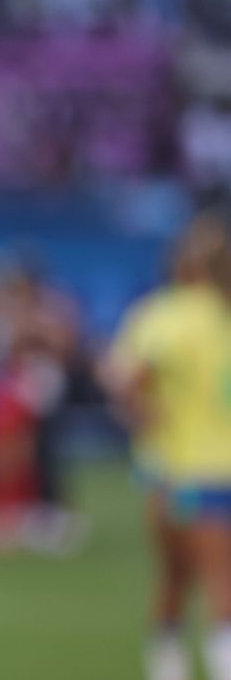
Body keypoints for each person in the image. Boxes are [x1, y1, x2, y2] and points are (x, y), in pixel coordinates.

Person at [104, 213, 231, 680]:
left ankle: (167, 668)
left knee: (178, 581)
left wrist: (145, 421)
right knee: (218, 585)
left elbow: (124, 379)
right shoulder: (201, 314)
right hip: (204, 472)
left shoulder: (165, 314)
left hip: (181, 471)